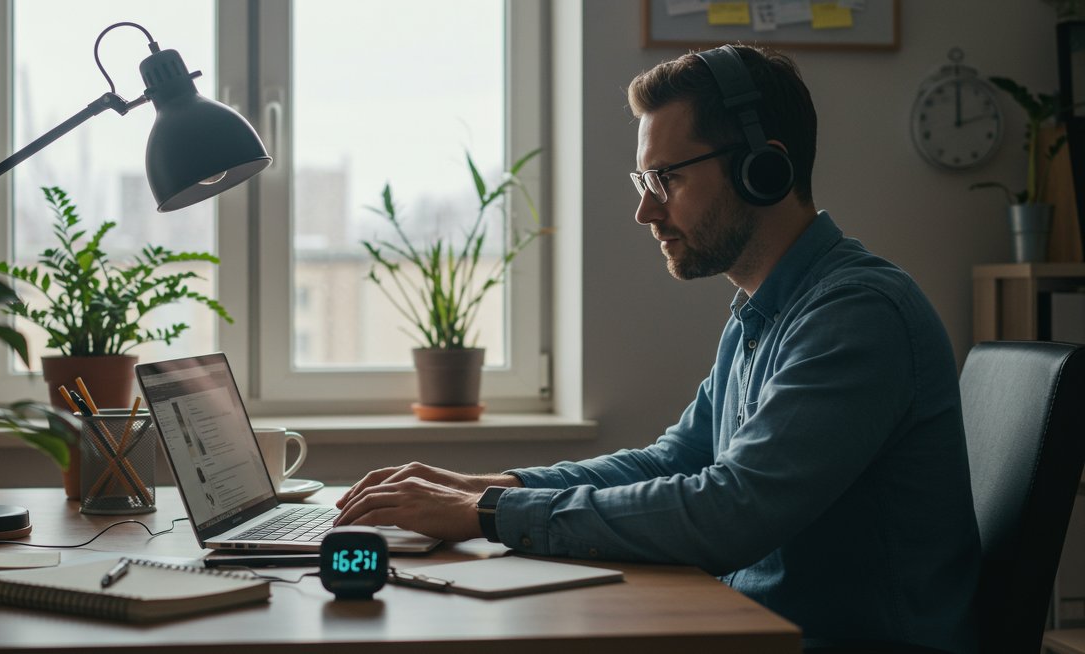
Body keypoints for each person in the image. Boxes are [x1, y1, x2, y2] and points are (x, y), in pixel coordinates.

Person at [335, 45, 980, 653]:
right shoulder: (766, 313)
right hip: (760, 630)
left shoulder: (857, 314)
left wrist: (488, 512)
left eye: (666, 179)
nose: (646, 211)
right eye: (643, 180)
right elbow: (675, 461)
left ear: (763, 168)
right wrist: (487, 486)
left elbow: (729, 510)